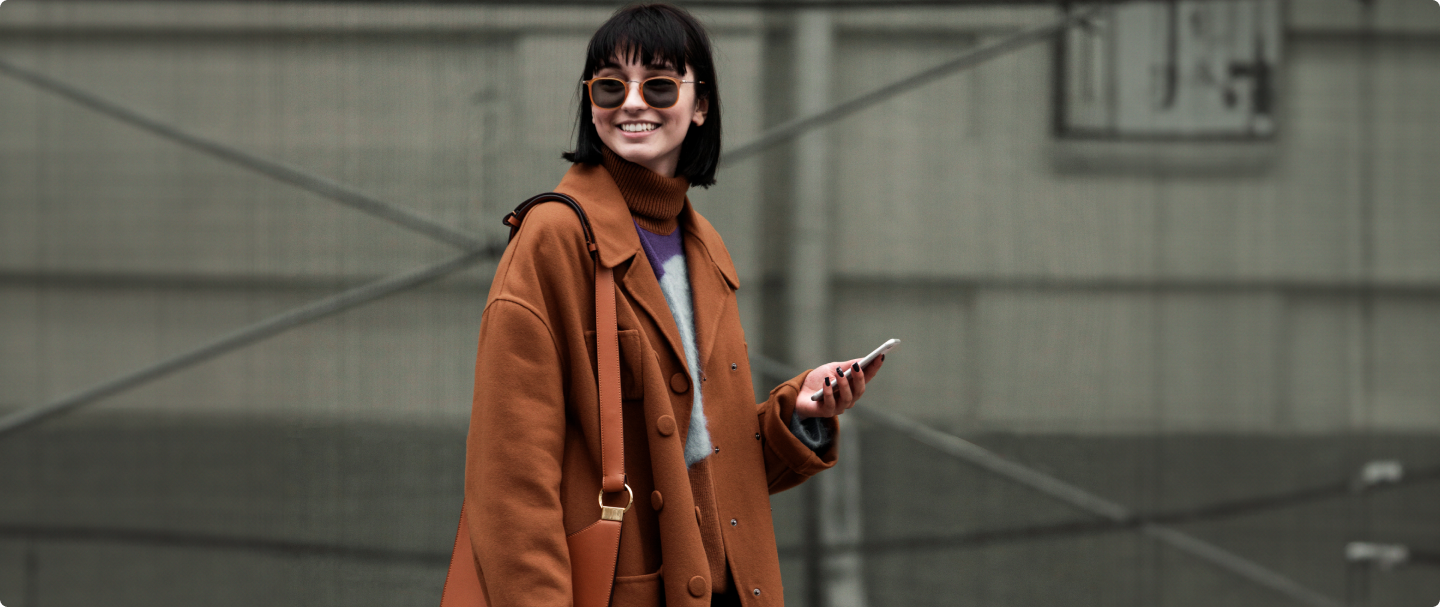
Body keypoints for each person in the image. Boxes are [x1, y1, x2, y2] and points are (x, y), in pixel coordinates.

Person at [464, 4, 884, 606]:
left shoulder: (703, 244)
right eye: (610, 85)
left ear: (701, 103)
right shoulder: (554, 237)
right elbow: (510, 481)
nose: (632, 102)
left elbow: (705, 464)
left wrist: (800, 414)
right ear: (591, 103)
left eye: (659, 84)